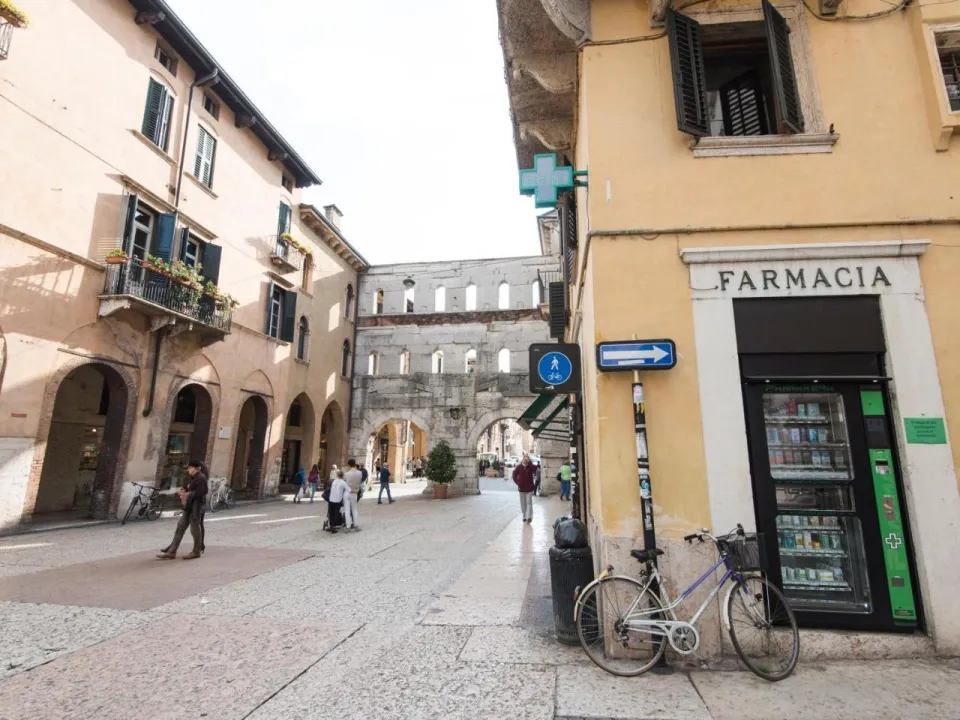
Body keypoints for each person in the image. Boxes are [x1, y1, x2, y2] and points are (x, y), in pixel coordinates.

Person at [158, 460, 208, 559]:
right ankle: (172, 552)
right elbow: (189, 487)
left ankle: (196, 551)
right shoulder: (193, 477)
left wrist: (188, 494)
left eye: (190, 468)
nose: (188, 469)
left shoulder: (201, 478)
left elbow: (201, 493)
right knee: (180, 527)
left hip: (196, 507)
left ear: (195, 468)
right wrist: (184, 489)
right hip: (188, 506)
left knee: (194, 530)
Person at [510, 453, 536, 523]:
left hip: (529, 488)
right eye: (525, 457)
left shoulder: (530, 466)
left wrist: (530, 463)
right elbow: (514, 476)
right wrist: (518, 483)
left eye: (527, 457)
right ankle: (524, 515)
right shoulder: (519, 467)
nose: (526, 459)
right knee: (523, 503)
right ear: (522, 458)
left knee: (529, 502)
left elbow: (535, 469)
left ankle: (529, 517)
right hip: (521, 488)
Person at [344, 459, 364, 531]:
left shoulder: (347, 474)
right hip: (354, 493)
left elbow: (345, 482)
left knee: (347, 510)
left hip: (347, 492)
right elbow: (360, 481)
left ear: (349, 465)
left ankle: (348, 526)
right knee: (354, 510)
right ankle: (356, 525)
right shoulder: (359, 473)